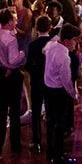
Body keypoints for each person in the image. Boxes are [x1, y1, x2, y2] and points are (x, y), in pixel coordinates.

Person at [0, 8, 25, 156]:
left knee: (1, 109)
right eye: (14, 19)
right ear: (9, 22)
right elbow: (13, 61)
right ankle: (15, 143)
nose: (16, 22)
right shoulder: (11, 39)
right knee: (14, 110)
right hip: (11, 76)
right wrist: (22, 54)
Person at [43, 23, 81, 164]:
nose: (75, 43)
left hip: (48, 88)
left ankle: (50, 152)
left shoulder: (51, 46)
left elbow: (46, 48)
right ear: (66, 40)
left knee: (51, 122)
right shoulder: (64, 56)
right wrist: (73, 94)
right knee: (60, 124)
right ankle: (58, 156)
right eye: (74, 40)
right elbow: (66, 79)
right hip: (59, 92)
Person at [25, 13, 56, 155]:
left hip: (37, 81)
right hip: (51, 81)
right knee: (50, 111)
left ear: (36, 28)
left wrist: (33, 73)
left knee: (36, 111)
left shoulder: (33, 45)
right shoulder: (54, 44)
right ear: (50, 28)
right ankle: (51, 140)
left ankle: (36, 141)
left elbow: (28, 64)